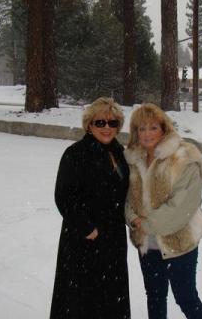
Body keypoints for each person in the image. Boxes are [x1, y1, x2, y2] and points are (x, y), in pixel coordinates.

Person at [124, 103, 202, 319]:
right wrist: (133, 218)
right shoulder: (134, 159)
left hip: (179, 244)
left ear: (164, 128)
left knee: (186, 298)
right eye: (141, 129)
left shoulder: (184, 157)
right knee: (154, 297)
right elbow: (127, 199)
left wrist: (147, 224)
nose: (146, 134)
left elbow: (181, 206)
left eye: (152, 127)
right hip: (148, 246)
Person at [50, 97, 130, 319]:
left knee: (111, 297)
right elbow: (64, 197)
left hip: (113, 239)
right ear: (89, 125)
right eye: (100, 122)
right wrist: (87, 228)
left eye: (112, 123)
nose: (106, 128)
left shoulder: (120, 152)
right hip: (84, 241)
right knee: (82, 300)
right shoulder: (76, 153)